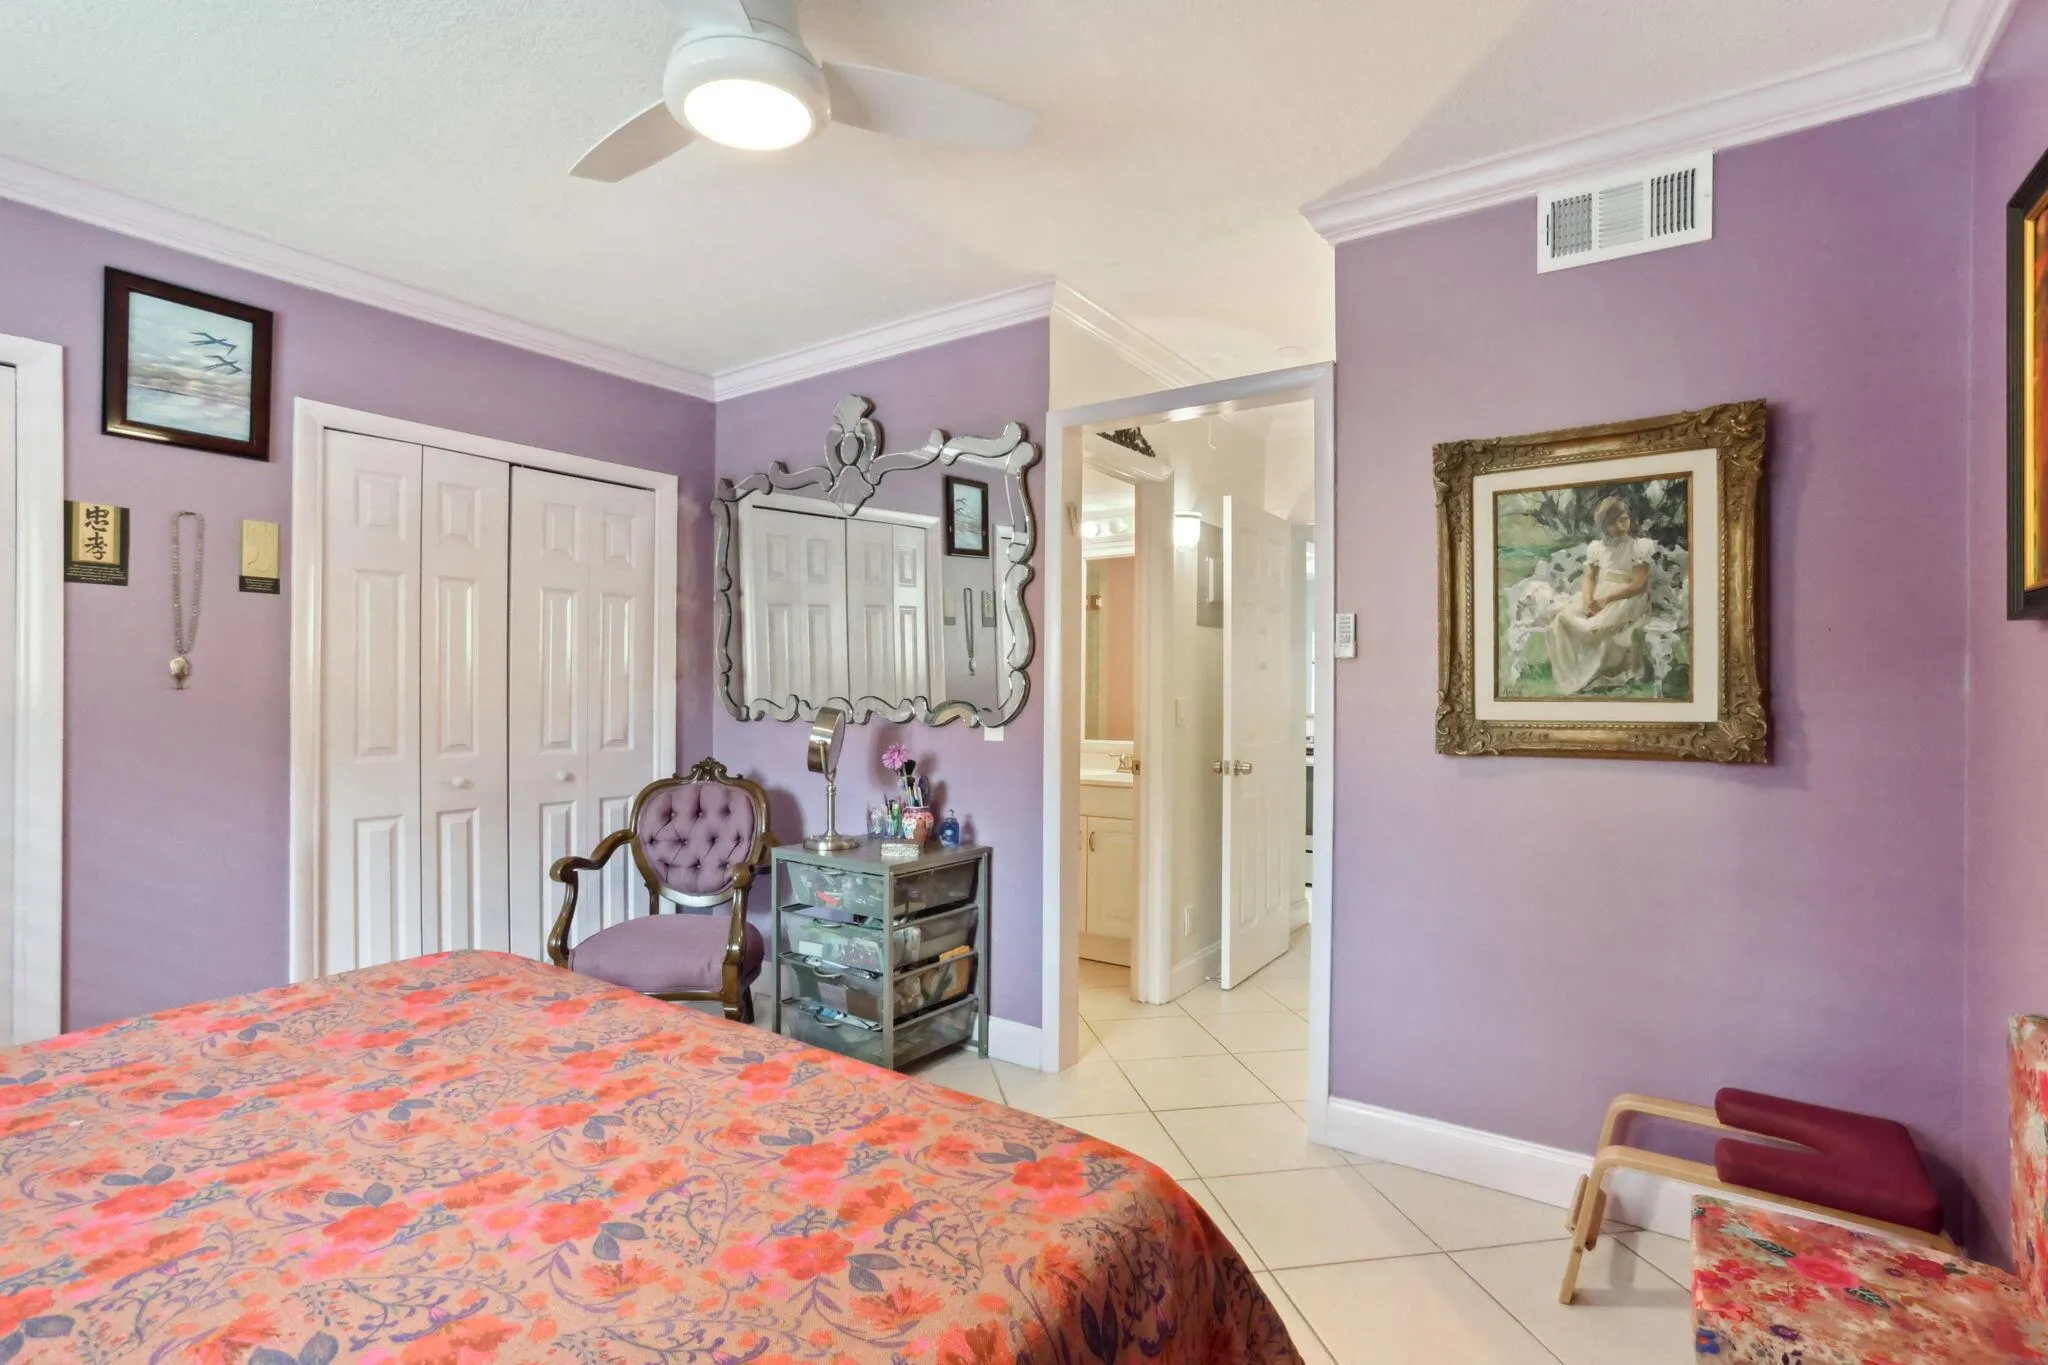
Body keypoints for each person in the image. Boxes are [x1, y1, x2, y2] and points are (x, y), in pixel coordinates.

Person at [1544, 496, 1654, 695]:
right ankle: (1574, 671)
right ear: (1604, 524)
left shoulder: (1638, 547)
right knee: (1563, 619)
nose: (1621, 525)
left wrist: (1606, 600)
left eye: (1624, 519)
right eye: (1614, 522)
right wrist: (1588, 601)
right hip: (1600, 592)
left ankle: (1600, 671)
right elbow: (1589, 577)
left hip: (1627, 597)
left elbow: (1639, 584)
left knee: (1595, 627)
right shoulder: (1597, 548)